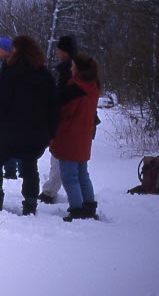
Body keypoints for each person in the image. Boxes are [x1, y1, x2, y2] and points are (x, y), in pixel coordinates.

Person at [0, 35, 59, 216]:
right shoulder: (44, 74)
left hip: (10, 132)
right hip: (36, 133)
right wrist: (50, 132)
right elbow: (53, 106)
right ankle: (30, 206)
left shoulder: (11, 72)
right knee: (30, 167)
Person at [49, 53, 101, 221]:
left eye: (73, 66)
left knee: (69, 176)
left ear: (78, 69)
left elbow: (60, 111)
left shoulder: (74, 90)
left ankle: (77, 209)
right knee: (82, 173)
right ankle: (89, 205)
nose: (71, 68)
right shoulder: (92, 87)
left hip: (69, 137)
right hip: (84, 137)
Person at [39, 35, 78, 204]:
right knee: (72, 162)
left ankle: (50, 192)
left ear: (65, 51)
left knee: (59, 157)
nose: (56, 52)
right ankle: (80, 198)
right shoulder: (72, 70)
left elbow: (64, 100)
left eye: (59, 49)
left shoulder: (69, 72)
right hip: (72, 122)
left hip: (67, 122)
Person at [0, 37, 20, 179]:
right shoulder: (6, 65)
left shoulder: (13, 66)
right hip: (8, 112)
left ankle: (12, 169)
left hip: (12, 112)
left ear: (6, 50)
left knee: (10, 141)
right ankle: (15, 168)